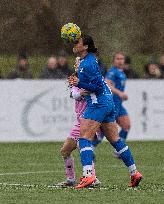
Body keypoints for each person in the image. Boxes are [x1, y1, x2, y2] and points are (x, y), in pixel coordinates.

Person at [69, 34, 142, 189]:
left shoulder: (88, 63)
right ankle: (134, 172)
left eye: (78, 42)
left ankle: (88, 175)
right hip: (107, 103)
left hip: (99, 103)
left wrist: (79, 82)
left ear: (86, 46)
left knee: (83, 138)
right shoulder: (87, 61)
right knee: (115, 140)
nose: (75, 44)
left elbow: (97, 87)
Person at [55, 57, 102, 188]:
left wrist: (83, 88)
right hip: (79, 121)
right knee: (65, 151)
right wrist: (79, 90)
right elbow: (73, 94)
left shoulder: (92, 78)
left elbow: (96, 91)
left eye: (79, 62)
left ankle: (92, 177)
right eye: (76, 62)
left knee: (83, 146)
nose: (77, 64)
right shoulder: (74, 78)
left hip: (90, 120)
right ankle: (71, 179)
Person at [105, 53, 131, 157]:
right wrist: (120, 93)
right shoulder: (112, 72)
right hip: (112, 104)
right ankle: (90, 148)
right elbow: (108, 84)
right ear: (114, 60)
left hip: (119, 104)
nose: (120, 61)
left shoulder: (122, 72)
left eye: (122, 59)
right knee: (105, 129)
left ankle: (118, 151)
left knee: (126, 125)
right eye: (118, 58)